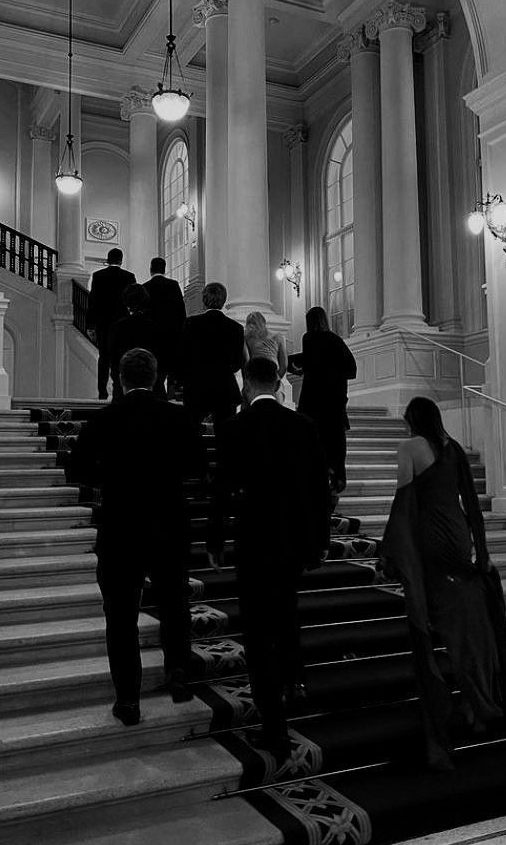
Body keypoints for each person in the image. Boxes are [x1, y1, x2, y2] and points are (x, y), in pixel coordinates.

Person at [380, 397, 506, 769]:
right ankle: (480, 701)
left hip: (431, 539)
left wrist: (392, 552)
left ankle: (464, 700)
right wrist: (483, 550)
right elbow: (472, 505)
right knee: (466, 616)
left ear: (412, 420)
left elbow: (403, 503)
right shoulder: (454, 447)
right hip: (459, 537)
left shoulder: (410, 447)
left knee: (440, 615)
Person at [70, 348, 206, 725]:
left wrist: (108, 479)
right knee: (175, 603)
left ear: (118, 378)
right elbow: (198, 466)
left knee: (121, 615)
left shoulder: (103, 420)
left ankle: (128, 700)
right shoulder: (178, 416)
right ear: (156, 376)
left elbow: (77, 470)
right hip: (168, 523)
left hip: (121, 527)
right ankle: (179, 675)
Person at [209, 357, 330, 758]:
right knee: (287, 607)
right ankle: (294, 679)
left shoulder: (233, 428)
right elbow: (318, 490)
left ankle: (274, 724)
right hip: (293, 543)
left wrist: (214, 540)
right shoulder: (304, 425)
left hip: (253, 543)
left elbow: (221, 487)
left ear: (245, 385)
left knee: (258, 633)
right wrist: (321, 541)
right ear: (278, 382)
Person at [291, 306, 357, 494]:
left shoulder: (308, 338)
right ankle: (338, 477)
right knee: (336, 438)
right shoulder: (336, 340)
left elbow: (313, 363)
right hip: (334, 401)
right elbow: (351, 369)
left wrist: (303, 368)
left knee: (314, 439)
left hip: (314, 400)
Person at [179, 282, 245, 437]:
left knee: (192, 436)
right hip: (225, 388)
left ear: (203, 300)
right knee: (225, 438)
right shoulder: (236, 328)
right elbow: (236, 363)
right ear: (224, 301)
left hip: (196, 387)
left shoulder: (191, 324)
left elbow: (183, 356)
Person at [85, 248, 136, 400]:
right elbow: (132, 300)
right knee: (119, 356)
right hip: (122, 323)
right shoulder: (129, 277)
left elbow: (92, 301)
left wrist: (90, 324)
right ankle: (118, 389)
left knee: (104, 357)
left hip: (103, 323)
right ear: (121, 260)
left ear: (108, 259)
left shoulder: (98, 276)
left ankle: (102, 391)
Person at [108, 284, 162, 400]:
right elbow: (162, 359)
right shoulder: (156, 328)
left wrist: (118, 382)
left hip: (124, 392)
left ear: (127, 303)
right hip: (153, 391)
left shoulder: (117, 328)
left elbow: (113, 360)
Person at [143, 257, 186, 397]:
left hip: (151, 337)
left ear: (151, 270)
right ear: (164, 269)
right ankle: (171, 397)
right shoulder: (173, 285)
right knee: (171, 371)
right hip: (171, 336)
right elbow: (181, 311)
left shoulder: (145, 287)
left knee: (155, 373)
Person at [243, 311, 287, 378]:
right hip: (256, 376)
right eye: (249, 323)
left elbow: (284, 365)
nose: (251, 326)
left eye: (254, 323)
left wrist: (277, 378)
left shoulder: (277, 337)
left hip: (272, 375)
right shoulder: (247, 338)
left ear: (262, 323)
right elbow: (246, 362)